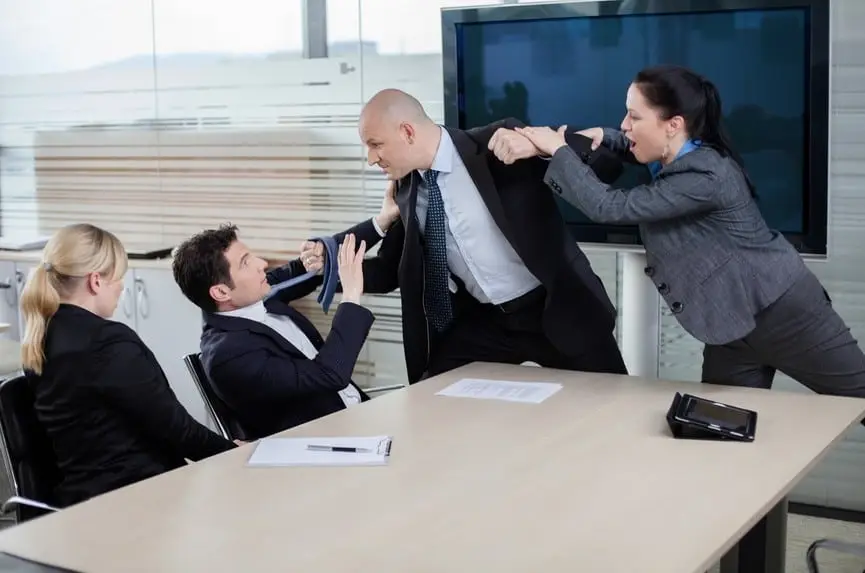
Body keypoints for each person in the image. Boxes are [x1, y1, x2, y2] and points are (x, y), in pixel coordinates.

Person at [507, 64, 865, 403]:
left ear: (673, 124)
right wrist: (604, 137)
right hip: (729, 326)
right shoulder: (680, 154)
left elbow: (609, 207)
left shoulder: (705, 175)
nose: (624, 124)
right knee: (719, 434)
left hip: (783, 313)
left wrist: (557, 148)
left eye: (634, 116)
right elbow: (635, 148)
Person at [301, 88, 628, 384]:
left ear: (407, 132)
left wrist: (542, 148)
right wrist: (328, 270)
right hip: (486, 323)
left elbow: (607, 167)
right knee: (433, 394)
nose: (371, 158)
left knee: (617, 403)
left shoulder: (496, 144)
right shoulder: (406, 189)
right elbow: (389, 270)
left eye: (375, 145)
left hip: (555, 310)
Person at [19, 223, 234, 507]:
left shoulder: (39, 338)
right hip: (135, 496)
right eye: (119, 277)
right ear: (96, 281)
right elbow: (176, 430)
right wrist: (234, 453)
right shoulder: (107, 342)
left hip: (81, 497)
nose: (121, 287)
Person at [171, 209, 396, 439]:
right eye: (246, 263)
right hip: (326, 441)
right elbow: (330, 374)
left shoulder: (252, 297)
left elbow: (310, 264)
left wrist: (383, 220)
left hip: (360, 415)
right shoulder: (228, 356)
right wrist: (351, 293)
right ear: (221, 292)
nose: (262, 263)